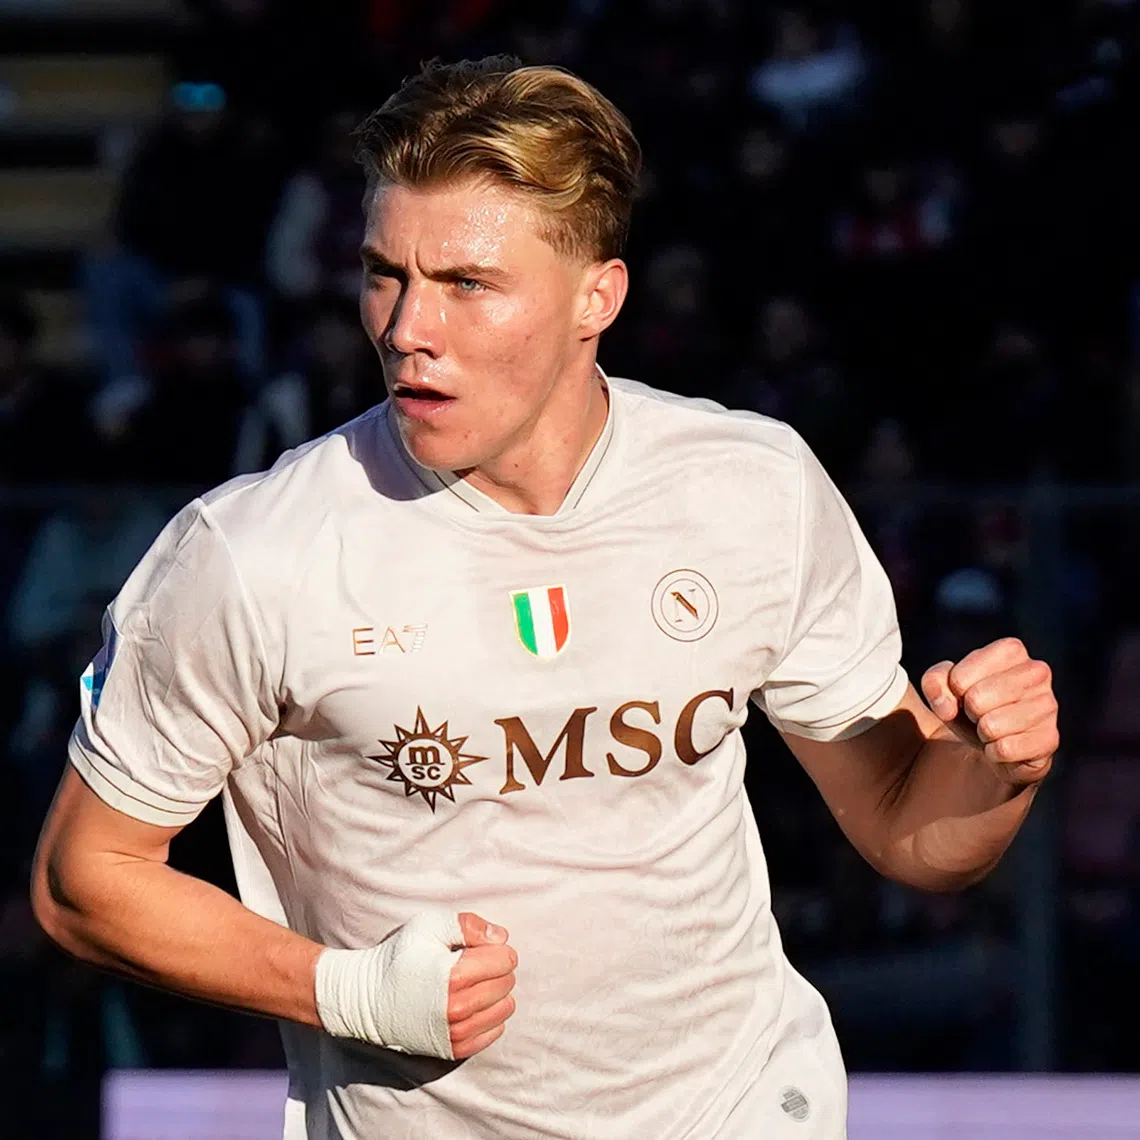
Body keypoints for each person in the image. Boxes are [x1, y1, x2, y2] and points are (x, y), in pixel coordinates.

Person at [32, 57, 1059, 1140]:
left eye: (467, 284)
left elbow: (916, 842)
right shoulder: (251, 552)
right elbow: (82, 879)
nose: (406, 326)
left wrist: (989, 770)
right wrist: (346, 991)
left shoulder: (751, 485)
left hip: (746, 1108)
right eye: (386, 273)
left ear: (596, 298)